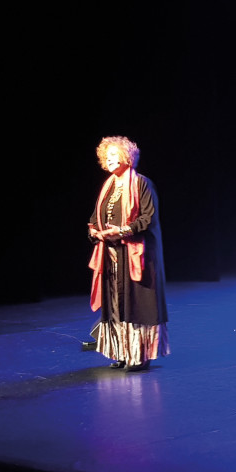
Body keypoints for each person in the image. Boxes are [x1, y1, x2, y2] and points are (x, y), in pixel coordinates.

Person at [86, 135, 169, 371]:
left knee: (136, 304)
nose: (109, 160)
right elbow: (96, 217)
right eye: (106, 156)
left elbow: (147, 218)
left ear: (126, 157)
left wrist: (122, 231)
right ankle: (121, 352)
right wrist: (94, 231)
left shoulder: (142, 184)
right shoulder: (108, 187)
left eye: (114, 155)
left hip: (138, 255)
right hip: (112, 255)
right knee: (116, 304)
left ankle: (139, 355)